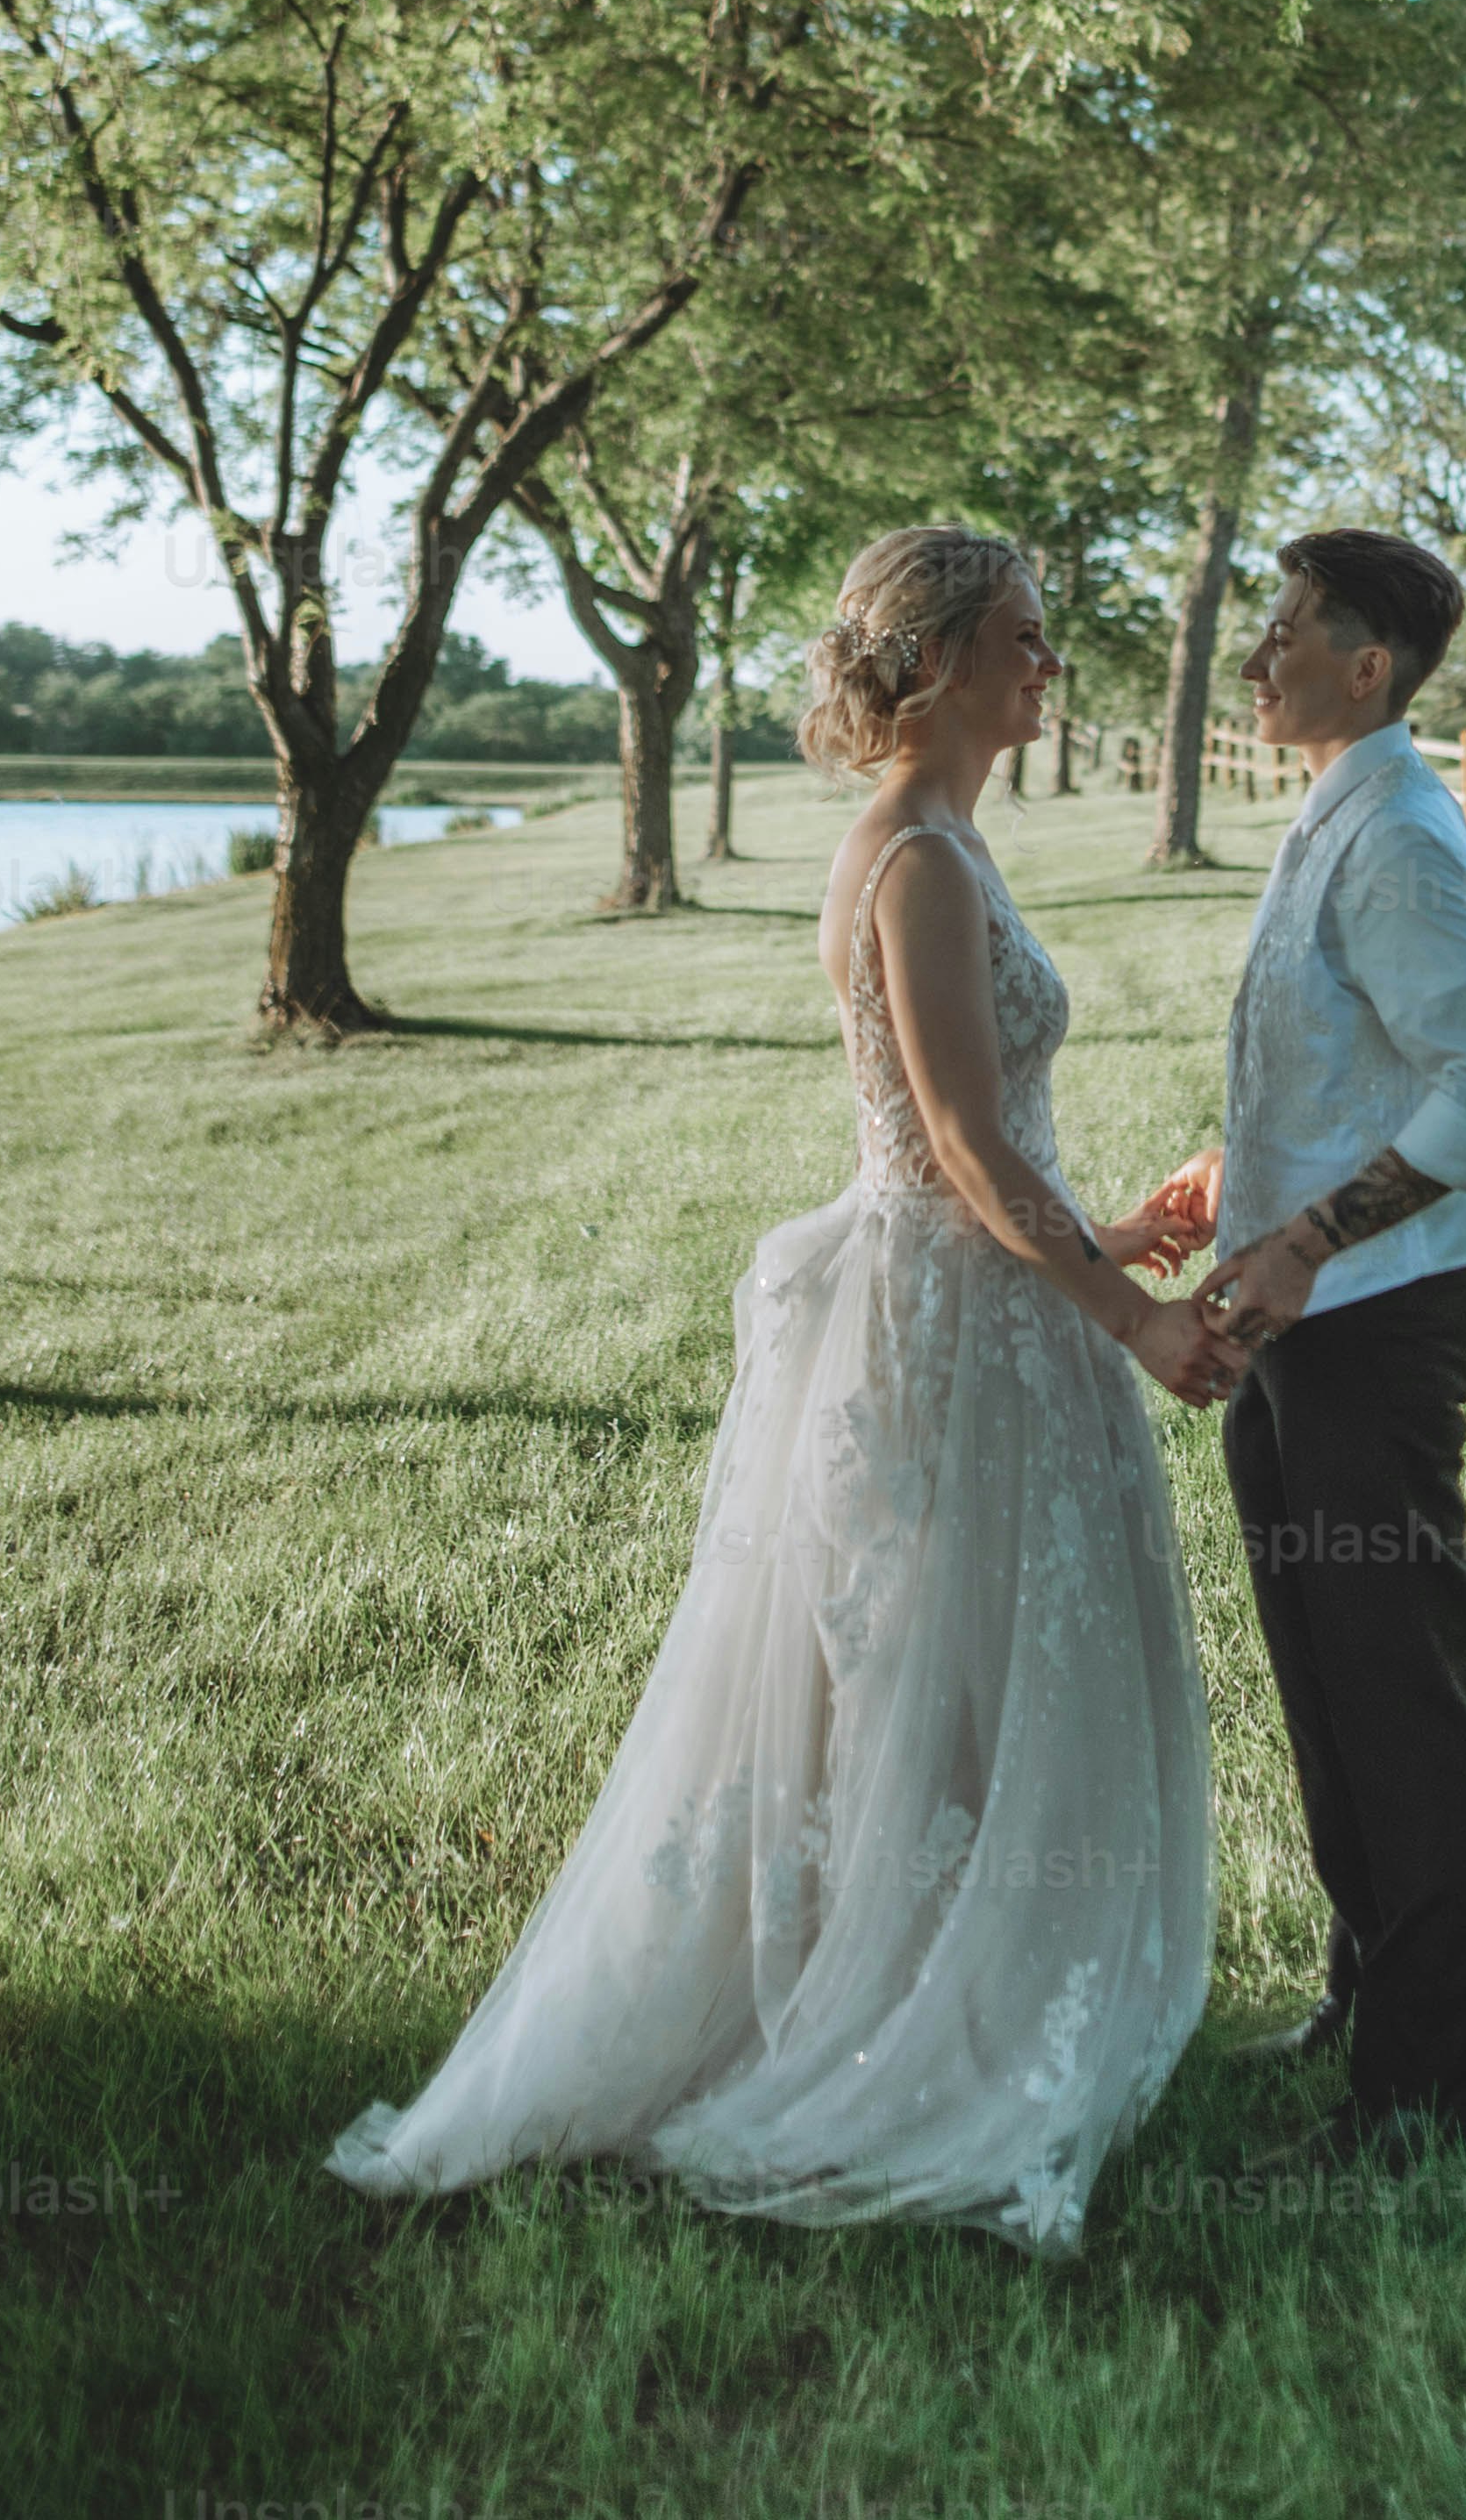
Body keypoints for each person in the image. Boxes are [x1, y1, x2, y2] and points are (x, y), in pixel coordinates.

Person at [328, 525, 1229, 2254]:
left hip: (986, 1296)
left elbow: (971, 1137)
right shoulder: (915, 860)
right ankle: (891, 2039)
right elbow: (957, 1144)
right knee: (924, 1683)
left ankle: (939, 1986)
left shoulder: (950, 839)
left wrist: (1111, 1227)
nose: (1053, 665)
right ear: (941, 658)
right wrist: (1134, 1318)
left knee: (958, 1683)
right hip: (952, 1331)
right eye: (1028, 640)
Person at [1144, 528, 1466, 2159]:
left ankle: (1431, 2095)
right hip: (1309, 1311)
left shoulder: (1399, 838)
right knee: (1322, 1682)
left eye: (1290, 632)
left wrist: (1311, 1237)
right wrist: (1244, 1172)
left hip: (1375, 1325)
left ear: (1365, 669)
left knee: (1399, 1698)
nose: (1260, 658)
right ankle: (1364, 1991)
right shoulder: (1334, 808)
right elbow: (1360, 1059)